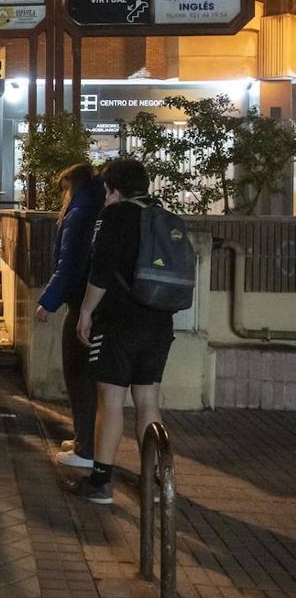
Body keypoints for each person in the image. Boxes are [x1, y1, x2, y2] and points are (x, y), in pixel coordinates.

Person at [70, 159, 175, 505]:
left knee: (111, 400)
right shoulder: (161, 215)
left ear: (111, 188)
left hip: (118, 323)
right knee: (148, 400)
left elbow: (100, 271)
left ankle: (101, 482)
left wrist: (85, 312)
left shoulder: (113, 216)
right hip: (159, 322)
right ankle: (157, 483)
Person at [35, 163, 105, 470]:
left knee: (78, 376)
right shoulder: (98, 210)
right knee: (92, 381)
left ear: (73, 186)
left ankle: (85, 449)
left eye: (64, 187)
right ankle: (85, 441)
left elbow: (69, 265)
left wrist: (48, 302)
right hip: (101, 304)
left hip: (82, 305)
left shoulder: (79, 215)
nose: (62, 194)